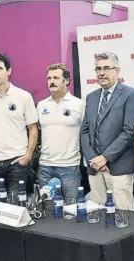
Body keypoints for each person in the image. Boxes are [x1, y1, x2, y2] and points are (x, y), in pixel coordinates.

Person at [0, 53, 39, 203]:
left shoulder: (23, 96)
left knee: (16, 207)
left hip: (17, 162)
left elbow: (33, 129)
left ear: (8, 71)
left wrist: (28, 155)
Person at [79, 52, 134, 210]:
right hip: (95, 168)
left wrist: (105, 157)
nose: (101, 73)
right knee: (98, 214)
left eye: (106, 68)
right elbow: (84, 131)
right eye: (98, 69)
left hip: (119, 167)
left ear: (117, 71)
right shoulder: (91, 97)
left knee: (122, 215)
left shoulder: (131, 95)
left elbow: (129, 132)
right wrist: (94, 159)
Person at [37, 63, 85, 198]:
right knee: (47, 208)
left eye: (56, 78)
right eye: (49, 78)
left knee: (71, 209)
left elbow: (86, 134)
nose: (51, 82)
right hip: (45, 166)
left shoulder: (79, 105)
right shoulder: (41, 105)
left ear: (67, 80)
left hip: (69, 166)